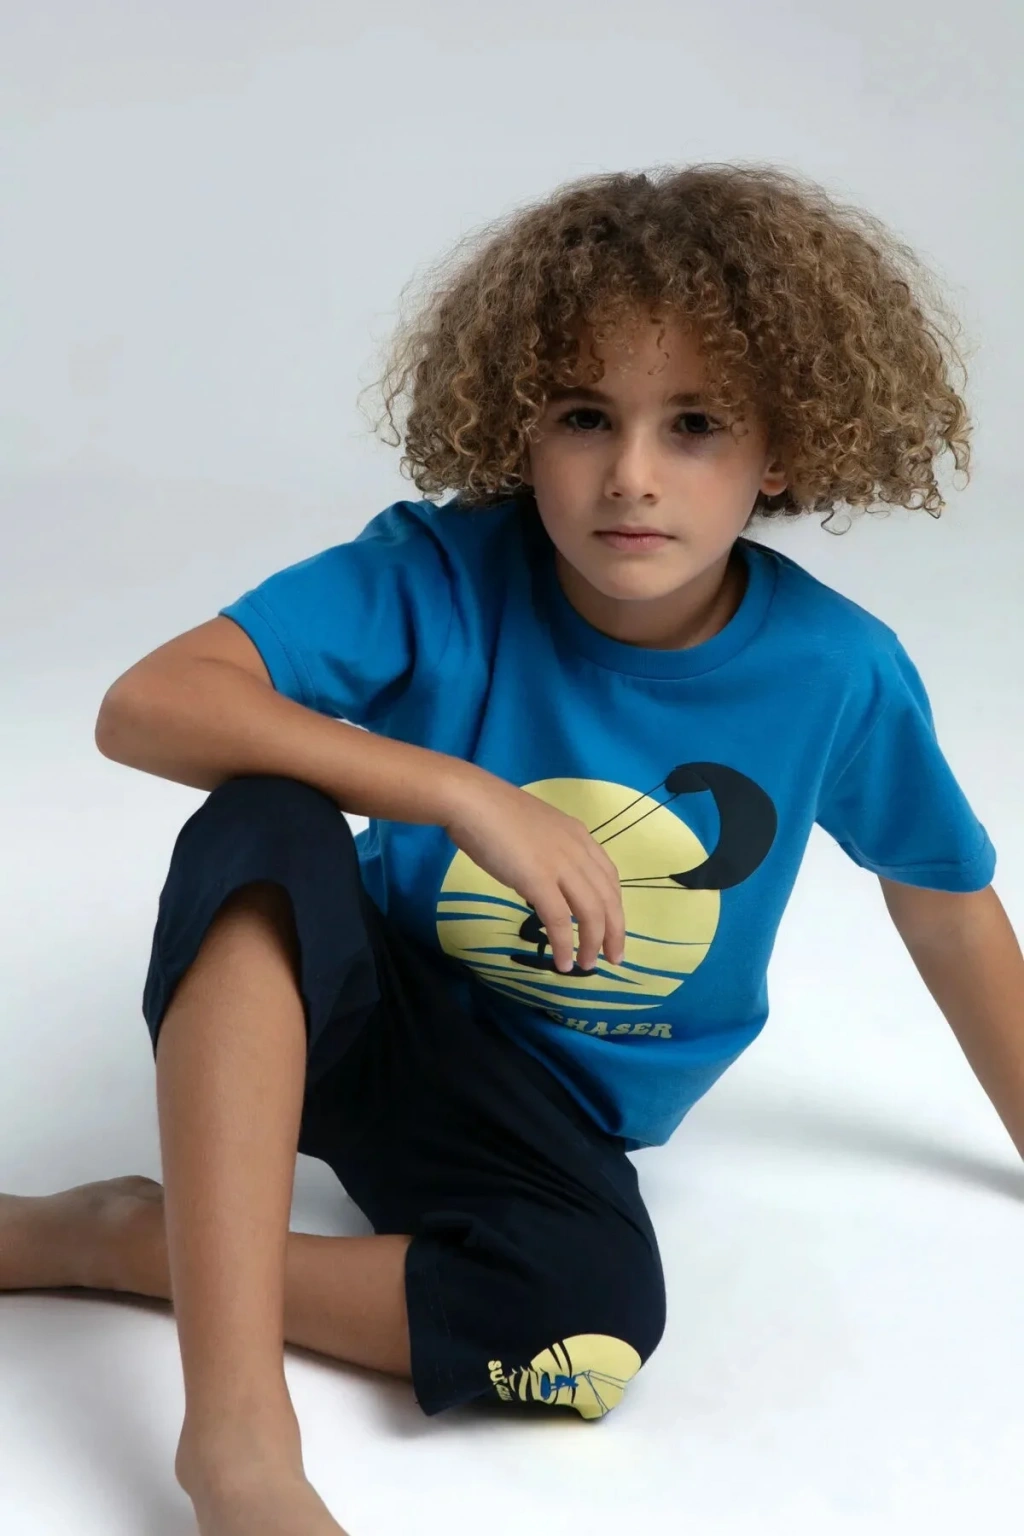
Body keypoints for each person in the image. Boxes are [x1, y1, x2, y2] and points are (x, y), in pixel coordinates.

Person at [3, 162, 1021, 1536]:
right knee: (265, 816)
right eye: (584, 417)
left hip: (548, 1109)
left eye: (696, 425)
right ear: (519, 428)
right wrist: (461, 794)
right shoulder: (441, 573)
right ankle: (238, 1440)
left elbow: (945, 906)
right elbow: (148, 705)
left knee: (589, 1332)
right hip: (347, 1022)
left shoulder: (836, 672)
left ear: (779, 452)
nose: (631, 475)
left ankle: (126, 1238)